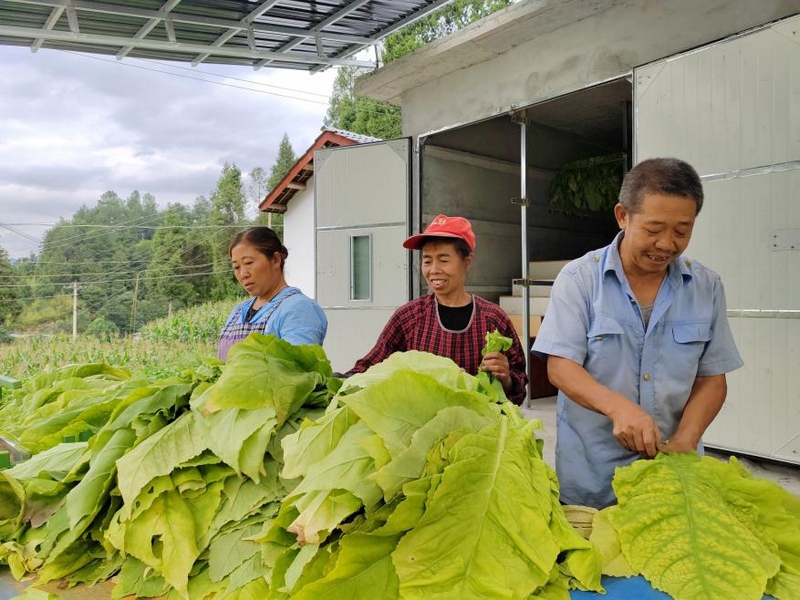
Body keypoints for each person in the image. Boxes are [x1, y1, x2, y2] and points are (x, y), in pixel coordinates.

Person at [532, 158, 743, 508]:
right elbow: (560, 367)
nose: (666, 244)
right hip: (593, 479)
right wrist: (618, 409)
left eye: (681, 231)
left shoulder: (706, 286)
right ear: (623, 216)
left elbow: (711, 379)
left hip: (673, 474)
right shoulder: (579, 280)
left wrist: (687, 439)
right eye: (654, 228)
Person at [345, 214, 529, 405]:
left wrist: (505, 378)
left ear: (467, 261)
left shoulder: (493, 319)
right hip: (420, 428)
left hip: (480, 429)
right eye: (427, 261)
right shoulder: (408, 317)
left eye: (443, 260)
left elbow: (518, 387)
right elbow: (370, 366)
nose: (434, 270)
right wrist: (337, 382)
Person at [217, 226, 327, 360]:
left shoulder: (298, 309)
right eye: (236, 267)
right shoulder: (238, 312)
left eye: (249, 263)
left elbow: (298, 373)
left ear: (275, 260)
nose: (243, 274)